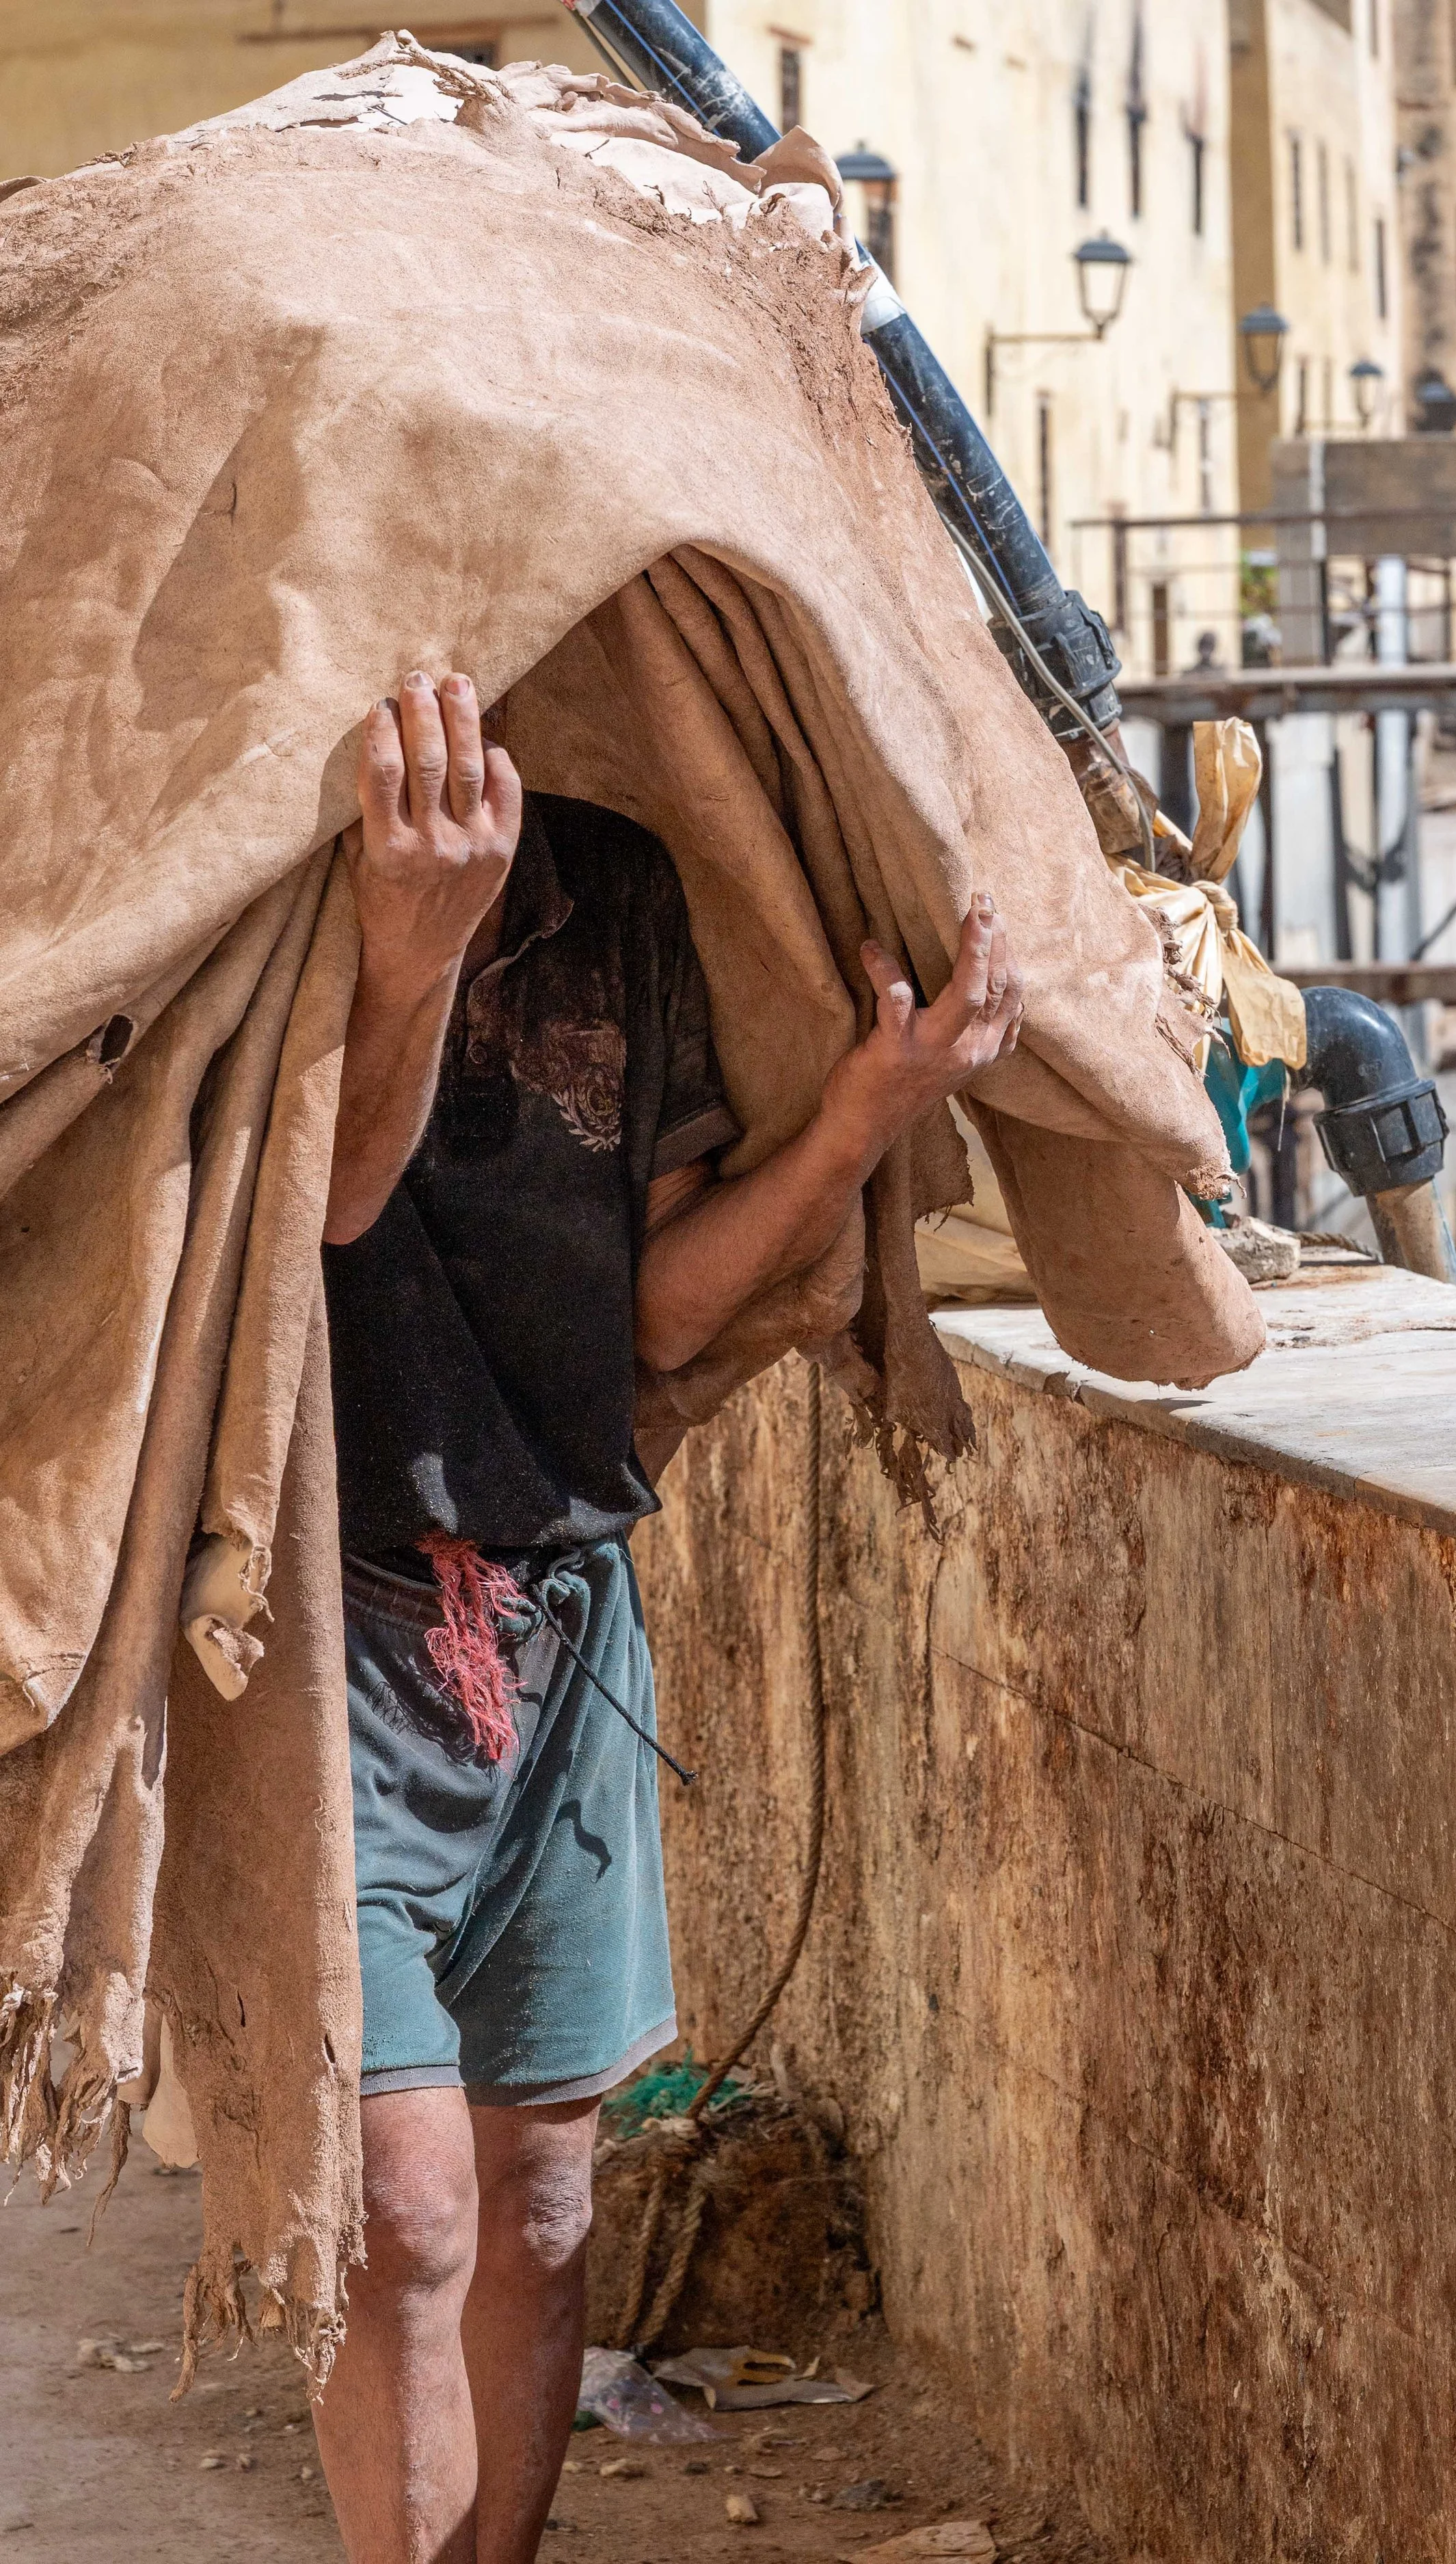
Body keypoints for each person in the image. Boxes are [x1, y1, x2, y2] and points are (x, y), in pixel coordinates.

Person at [310, 669, 1025, 2564]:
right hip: (325, 1628)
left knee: (545, 2205)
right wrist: (404, 952)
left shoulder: (623, 883)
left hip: (554, 1631)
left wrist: (865, 1117)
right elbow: (318, 1198)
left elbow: (657, 1312)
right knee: (403, 2205)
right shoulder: (300, 866)